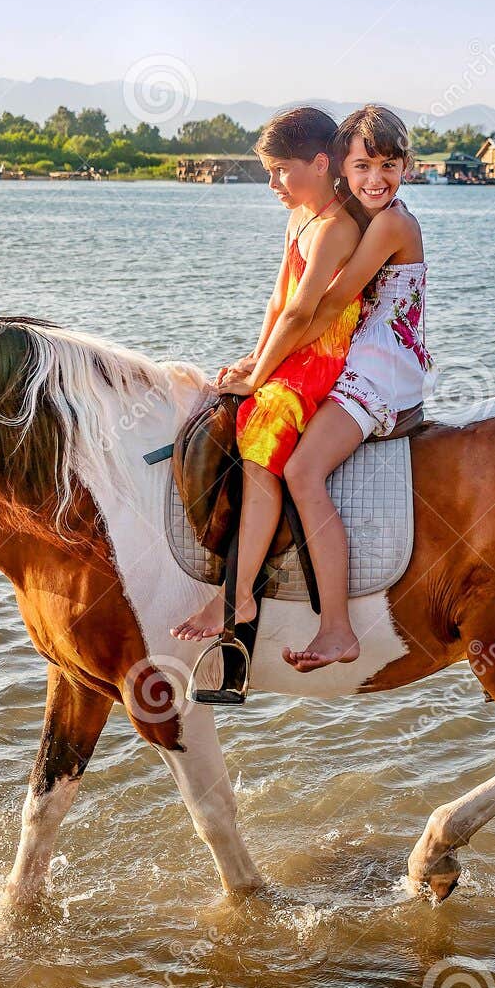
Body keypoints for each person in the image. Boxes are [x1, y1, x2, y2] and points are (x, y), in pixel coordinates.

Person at [170, 107, 364, 646]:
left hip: (323, 358)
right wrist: (255, 360)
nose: (272, 183)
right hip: (290, 352)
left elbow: (304, 315)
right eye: (270, 171)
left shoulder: (336, 228)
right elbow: (278, 303)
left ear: (321, 162)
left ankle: (240, 592)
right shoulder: (299, 217)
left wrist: (262, 384)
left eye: (281, 170)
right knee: (225, 403)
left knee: (262, 421)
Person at [257, 104, 433, 672]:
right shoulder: (349, 213)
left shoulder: (391, 223)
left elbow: (330, 303)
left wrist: (263, 368)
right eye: (362, 167)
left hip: (384, 365)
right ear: (341, 168)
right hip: (356, 352)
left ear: (406, 166)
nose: (375, 179)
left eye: (388, 165)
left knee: (302, 471)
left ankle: (338, 627)